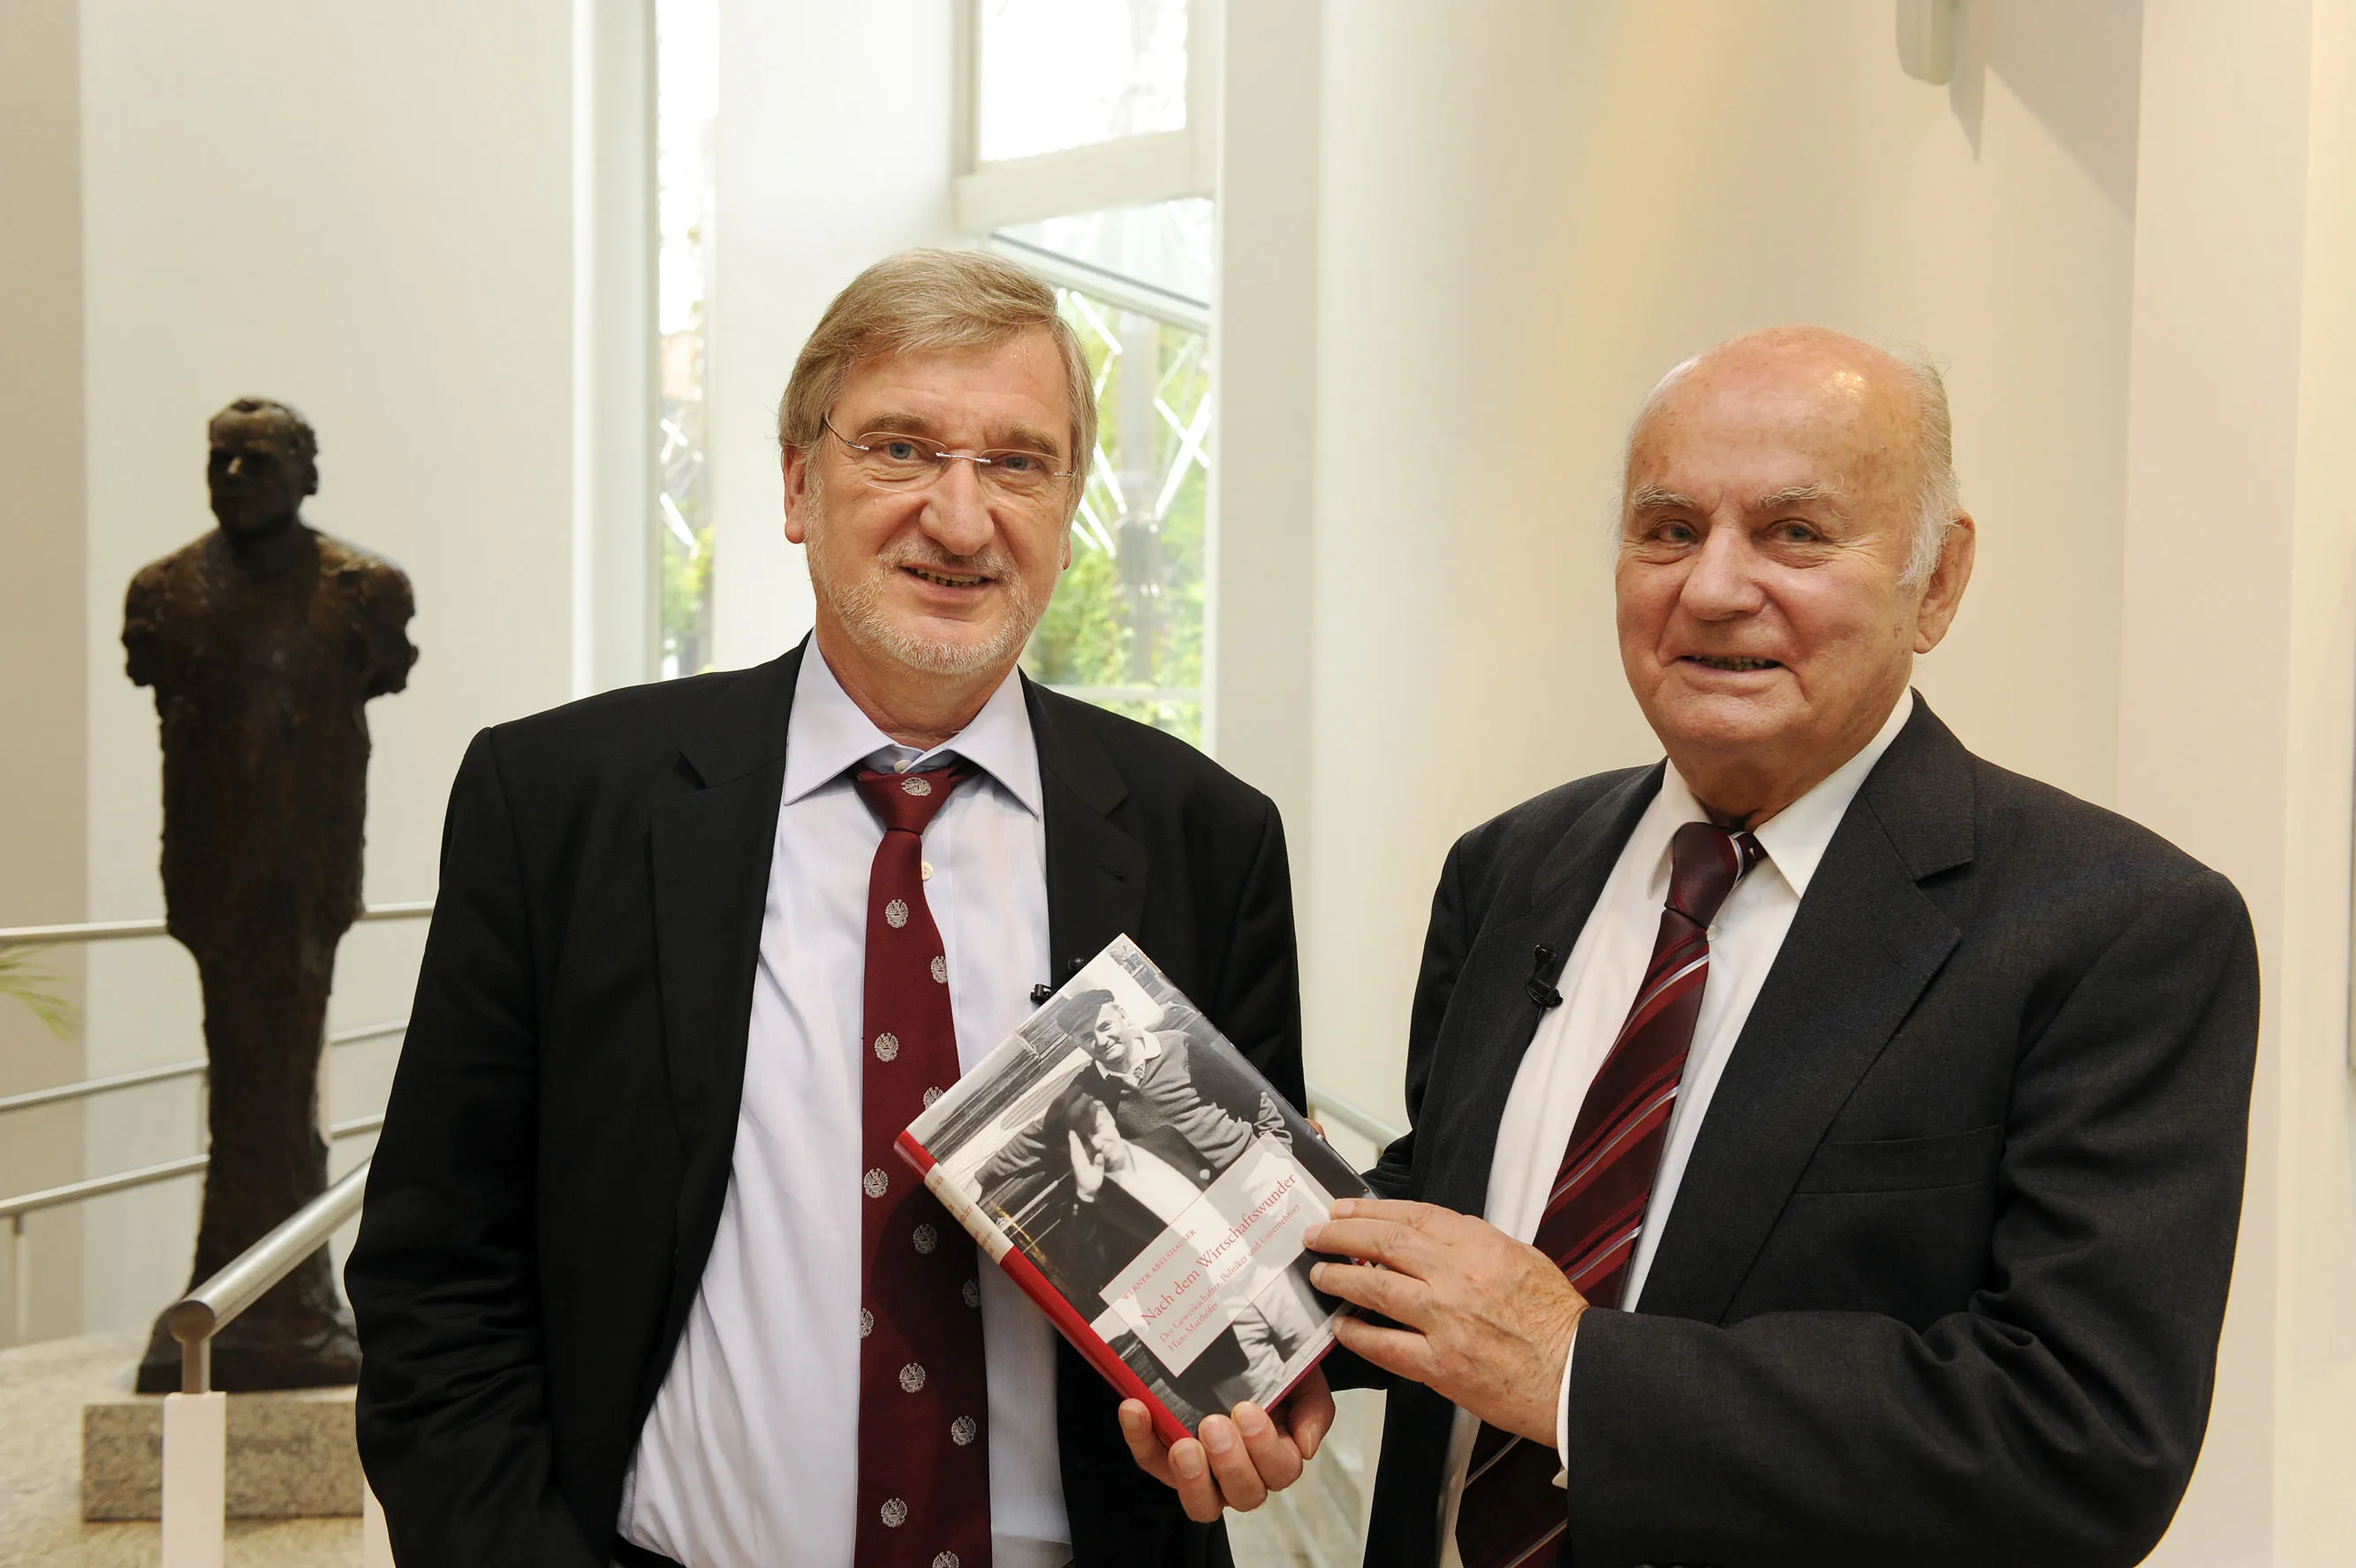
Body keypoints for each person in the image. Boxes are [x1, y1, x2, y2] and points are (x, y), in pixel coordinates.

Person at [345, 249, 1330, 1568]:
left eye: (1018, 463)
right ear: (798, 483)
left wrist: (1256, 1404)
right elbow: (437, 1279)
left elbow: (1238, 1293)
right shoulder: (558, 803)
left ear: (1070, 500)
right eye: (902, 448)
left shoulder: (1204, 839)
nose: (961, 517)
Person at [1274, 327, 2257, 1565]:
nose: (1713, 586)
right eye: (1668, 528)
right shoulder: (1508, 867)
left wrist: (1578, 1371)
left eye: (1793, 533)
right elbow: (1449, 1230)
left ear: (1937, 579)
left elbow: (2077, 1435)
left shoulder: (2115, 928)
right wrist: (1251, 1363)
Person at [124, 397, 414, 1392]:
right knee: (250, 1085)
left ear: (306, 473)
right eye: (223, 460)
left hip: (306, 882)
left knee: (277, 1085)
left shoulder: (363, 589)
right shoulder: (162, 591)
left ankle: (271, 1302)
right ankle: (262, 1305)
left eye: (259, 460)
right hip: (213, 880)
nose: (237, 477)